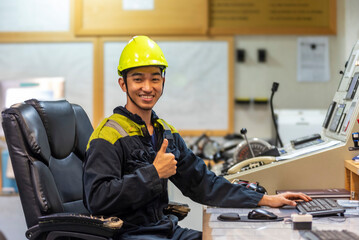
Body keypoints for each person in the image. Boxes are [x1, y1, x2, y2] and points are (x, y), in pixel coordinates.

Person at [83, 35, 311, 240]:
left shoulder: (166, 133)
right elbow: (97, 199)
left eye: (154, 78)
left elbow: (203, 184)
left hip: (164, 229)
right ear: (123, 83)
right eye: (138, 79)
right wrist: (153, 174)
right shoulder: (108, 135)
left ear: (163, 81)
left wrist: (263, 199)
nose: (147, 87)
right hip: (129, 234)